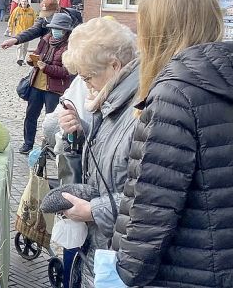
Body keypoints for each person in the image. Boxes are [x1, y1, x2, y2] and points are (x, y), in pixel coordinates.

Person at [109, 0, 233, 287]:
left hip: (188, 270)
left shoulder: (174, 93)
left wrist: (127, 270)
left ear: (160, 30)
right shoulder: (232, 84)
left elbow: (154, 203)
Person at [55, 18, 140, 288]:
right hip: (105, 247)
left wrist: (92, 210)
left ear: (114, 66)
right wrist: (82, 130)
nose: (86, 86)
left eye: (88, 77)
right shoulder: (114, 100)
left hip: (121, 254)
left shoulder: (140, 108)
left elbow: (147, 195)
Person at [20, 12, 75, 154]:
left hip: (54, 89)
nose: (55, 31)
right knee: (31, 115)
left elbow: (68, 71)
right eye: (53, 28)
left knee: (52, 120)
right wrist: (31, 60)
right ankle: (28, 144)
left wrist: (48, 68)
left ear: (66, 31)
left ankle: (49, 147)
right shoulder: (45, 39)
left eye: (59, 29)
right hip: (37, 85)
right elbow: (37, 55)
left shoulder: (69, 47)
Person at [8, 0, 37, 66]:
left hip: (28, 32)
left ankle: (23, 59)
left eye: (25, 1)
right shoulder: (16, 10)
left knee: (25, 47)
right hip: (19, 31)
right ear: (20, 2)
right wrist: (10, 30)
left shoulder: (31, 11)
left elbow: (35, 21)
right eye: (22, 1)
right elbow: (11, 20)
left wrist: (34, 30)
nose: (24, 3)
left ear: (27, 2)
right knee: (19, 45)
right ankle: (19, 59)